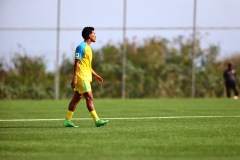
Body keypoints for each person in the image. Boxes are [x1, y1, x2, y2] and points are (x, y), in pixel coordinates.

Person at [63, 27, 108, 127]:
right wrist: (74, 77)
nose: (95, 35)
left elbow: (87, 66)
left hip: (86, 76)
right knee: (89, 97)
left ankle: (67, 120)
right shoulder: (81, 47)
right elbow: (77, 63)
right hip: (81, 77)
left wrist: (96, 76)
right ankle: (97, 120)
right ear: (89, 35)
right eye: (94, 33)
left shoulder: (88, 48)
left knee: (77, 98)